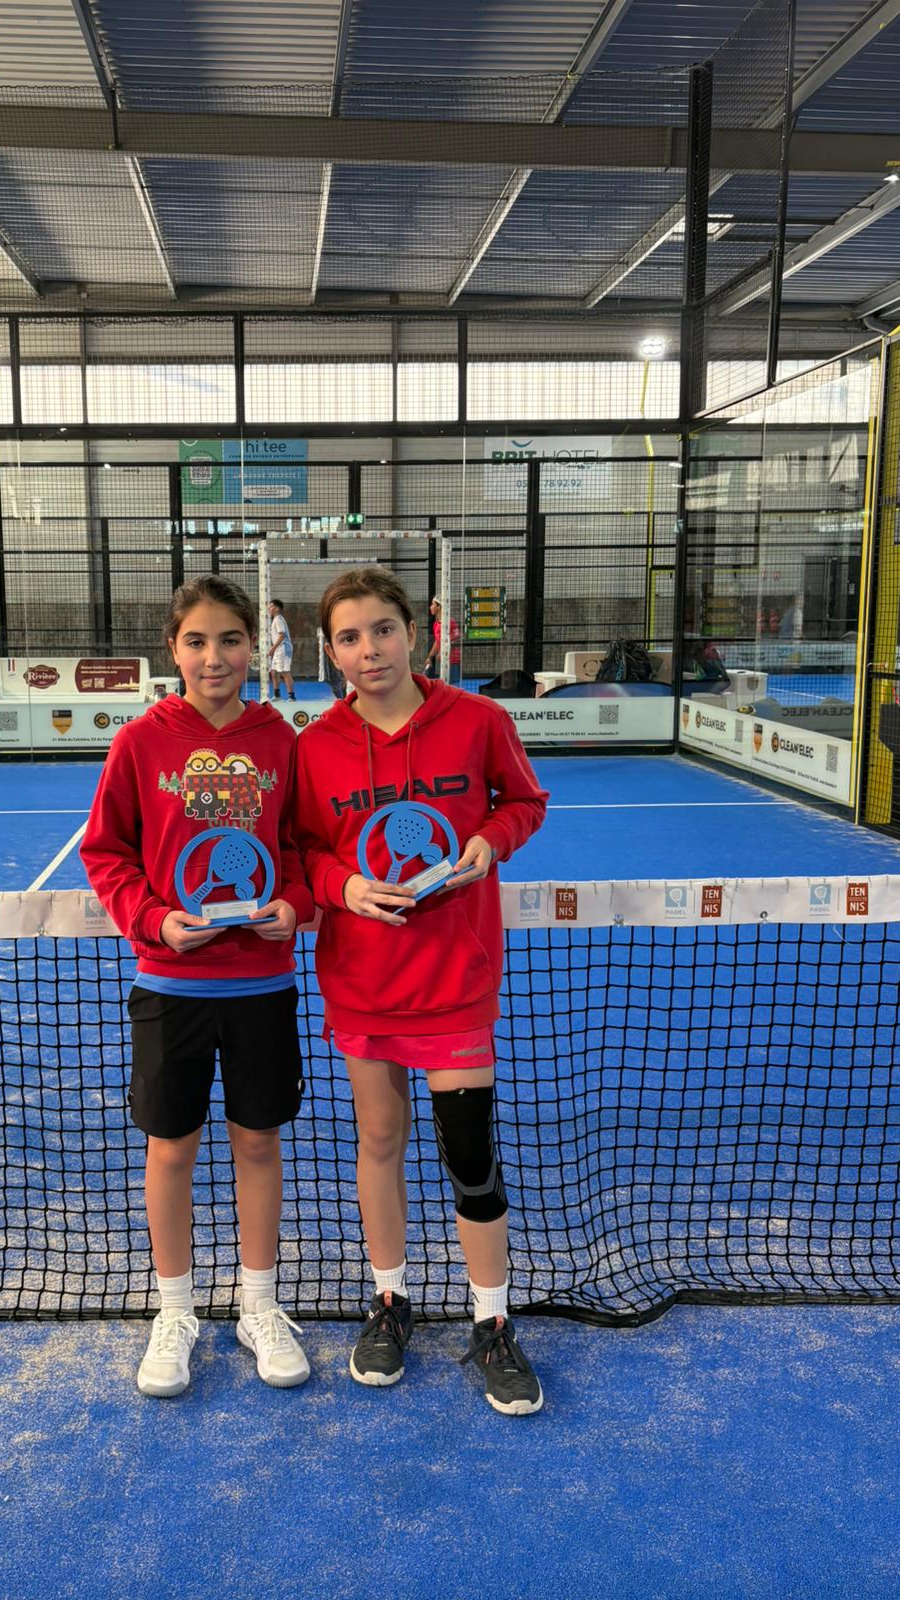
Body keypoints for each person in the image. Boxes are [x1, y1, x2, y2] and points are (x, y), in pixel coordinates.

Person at [293, 567, 549, 1415]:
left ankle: (492, 1320)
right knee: (379, 1139)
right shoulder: (315, 746)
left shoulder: (478, 721)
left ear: (416, 632)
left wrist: (490, 841)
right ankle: (391, 1301)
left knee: (470, 1155)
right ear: (331, 652)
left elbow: (525, 801)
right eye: (350, 637)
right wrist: (342, 886)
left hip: (455, 977)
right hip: (363, 979)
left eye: (383, 629)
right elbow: (304, 851)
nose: (370, 649)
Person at [80, 574, 314, 1398]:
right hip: (170, 984)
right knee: (170, 1148)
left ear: (254, 646)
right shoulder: (140, 741)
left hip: (262, 984)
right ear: (172, 650)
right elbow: (106, 852)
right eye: (196, 641)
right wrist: (154, 920)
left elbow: (304, 846)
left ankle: (259, 1304)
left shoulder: (281, 739)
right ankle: (174, 1310)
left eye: (230, 640)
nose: (214, 657)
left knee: (258, 1143)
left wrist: (296, 903)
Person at [422, 595, 462, 685]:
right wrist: (430, 657)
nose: (430, 607)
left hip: (453, 661)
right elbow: (437, 641)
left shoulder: (450, 622)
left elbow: (455, 641)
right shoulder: (436, 624)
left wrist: (442, 652)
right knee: (445, 686)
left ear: (439, 607)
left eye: (433, 604)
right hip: (444, 661)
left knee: (452, 687)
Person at [268, 597, 297, 702]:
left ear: (277, 608)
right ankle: (277, 696)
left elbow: (282, 635)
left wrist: (272, 649)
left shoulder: (278, 620)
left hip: (283, 648)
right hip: (278, 649)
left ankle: (292, 697)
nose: (269, 609)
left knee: (285, 672)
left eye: (271, 607)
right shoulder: (275, 620)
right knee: (273, 672)